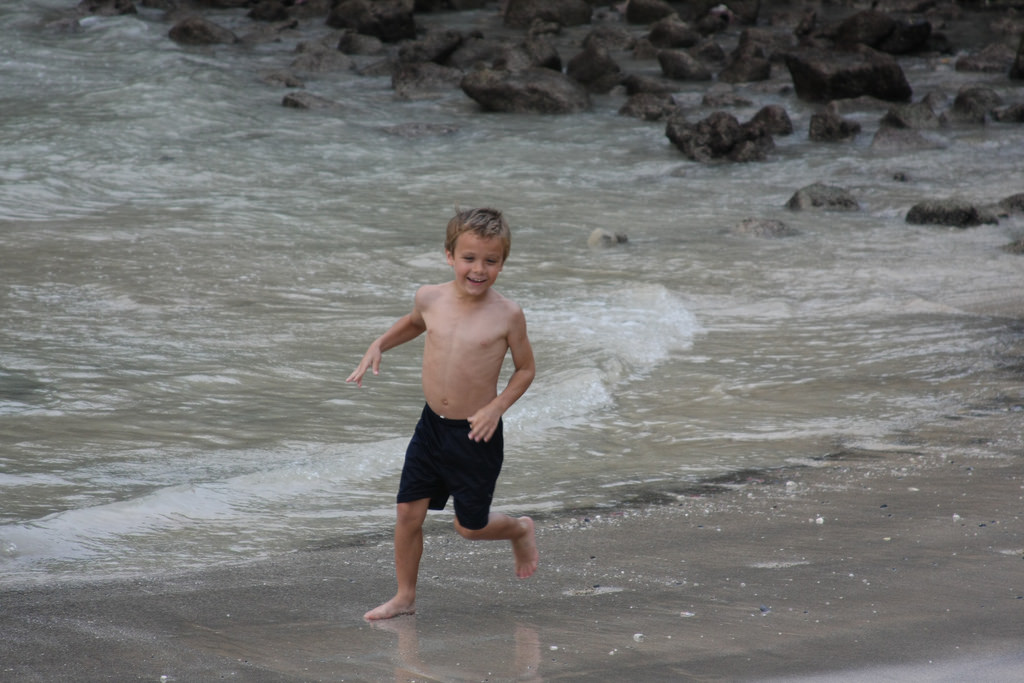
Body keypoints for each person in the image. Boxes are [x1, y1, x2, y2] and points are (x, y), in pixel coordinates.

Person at [346, 207, 538, 621]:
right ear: (449, 256)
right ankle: (405, 597)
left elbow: (526, 369)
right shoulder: (429, 297)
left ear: (503, 262)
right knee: (407, 513)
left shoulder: (508, 314)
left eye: (491, 261)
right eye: (469, 258)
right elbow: (415, 324)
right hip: (431, 427)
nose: (479, 269)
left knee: (469, 528)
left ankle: (519, 529)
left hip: (476, 434)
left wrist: (495, 407)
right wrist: (379, 343)